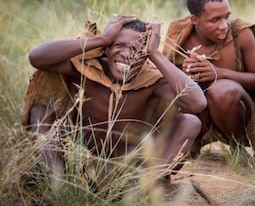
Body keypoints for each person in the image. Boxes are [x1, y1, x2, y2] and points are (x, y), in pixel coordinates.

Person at [25, 15, 207, 179]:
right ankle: (57, 182)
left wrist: (155, 53)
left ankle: (147, 185)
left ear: (145, 57)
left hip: (131, 166)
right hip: (79, 157)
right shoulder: (88, 70)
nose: (126, 55)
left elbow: (197, 102)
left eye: (137, 50)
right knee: (39, 112)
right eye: (119, 45)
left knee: (190, 121)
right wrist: (101, 39)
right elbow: (37, 58)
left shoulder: (151, 80)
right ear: (107, 49)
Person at [164, 0, 255, 157]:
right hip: (201, 116)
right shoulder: (180, 37)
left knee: (222, 90)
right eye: (215, 20)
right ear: (195, 20)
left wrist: (219, 73)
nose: (224, 25)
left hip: (241, 117)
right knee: (188, 90)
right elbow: (164, 80)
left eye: (227, 17)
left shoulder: (240, 33)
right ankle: (193, 143)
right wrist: (184, 72)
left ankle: (237, 147)